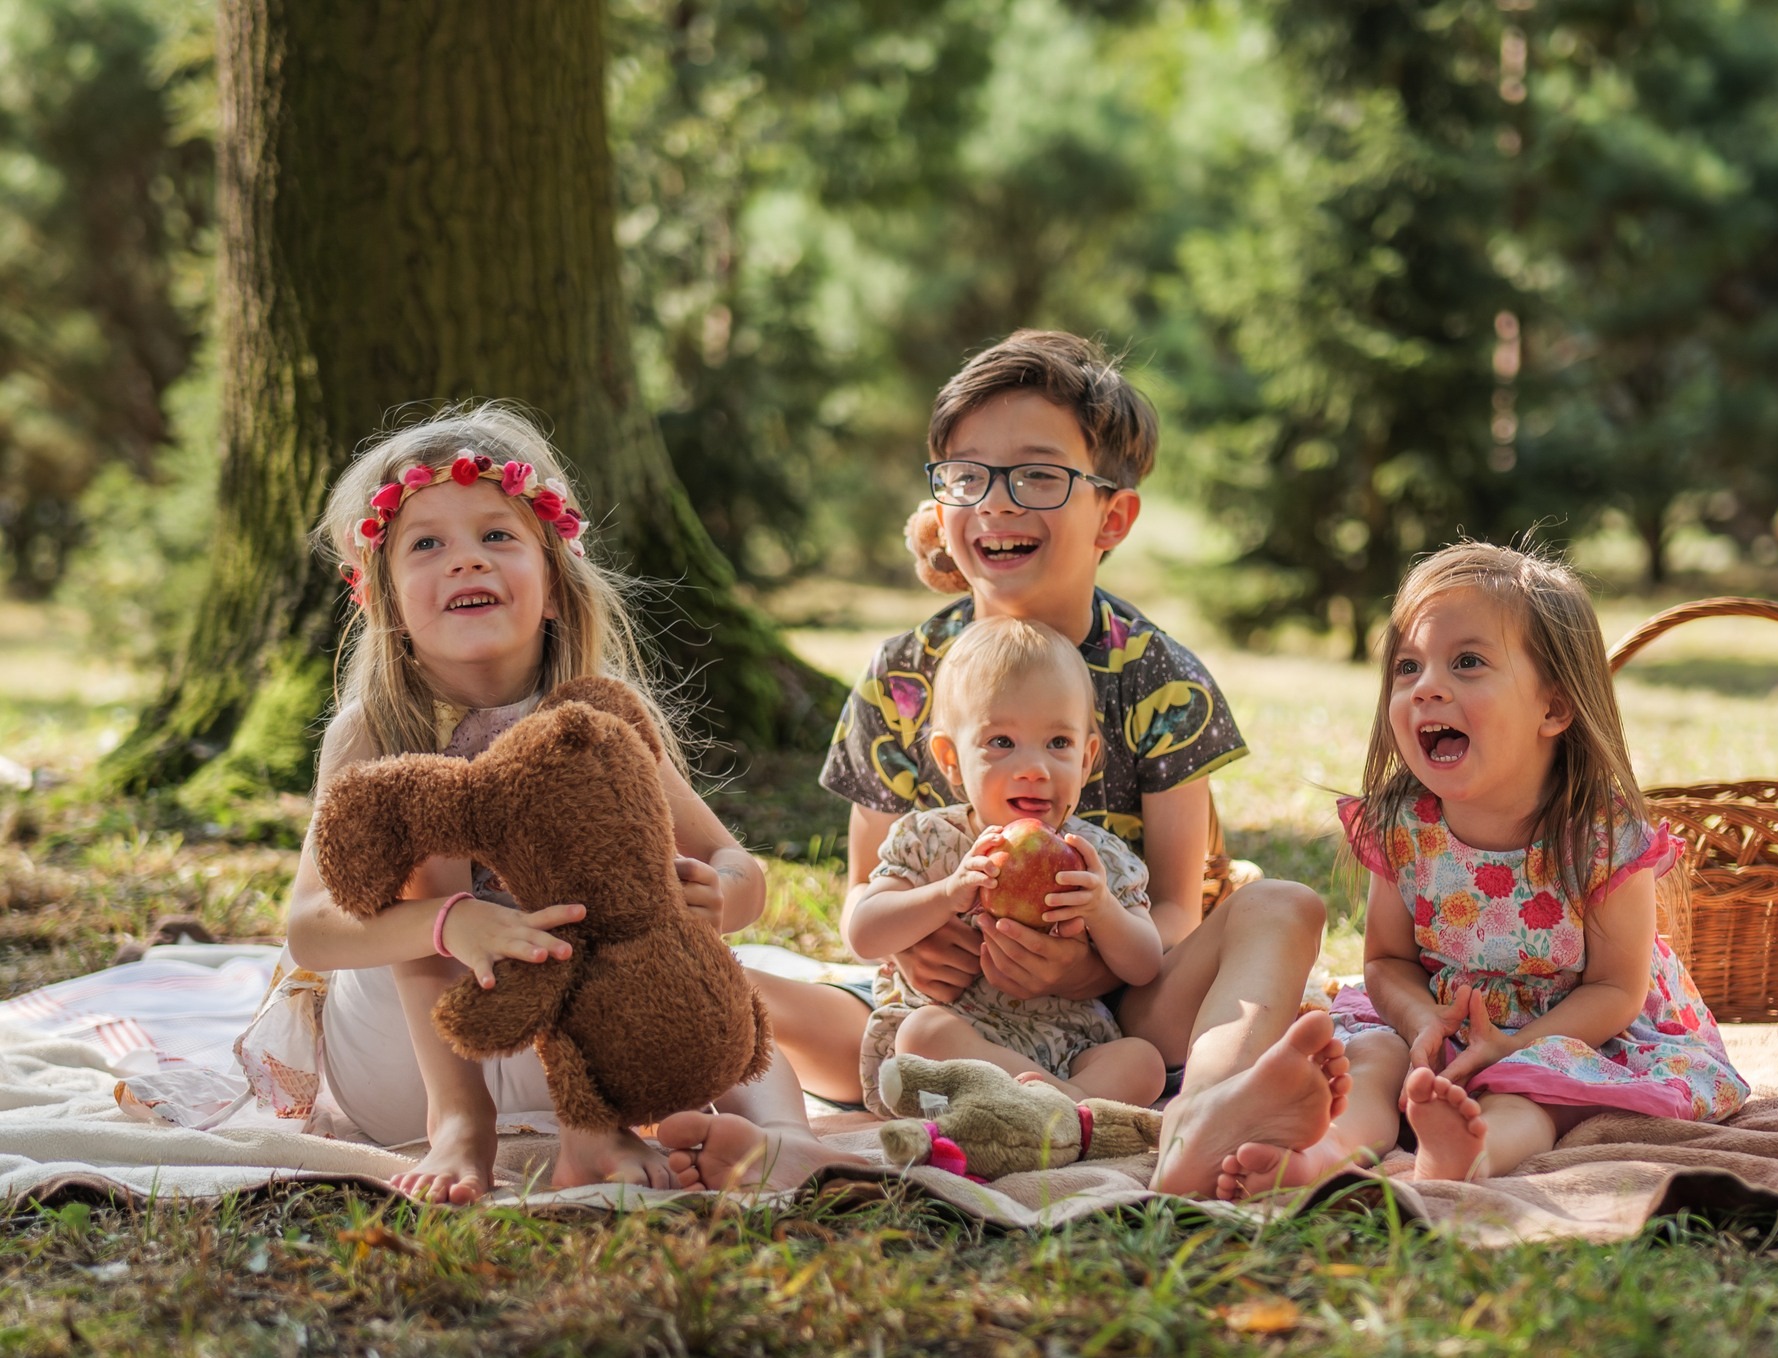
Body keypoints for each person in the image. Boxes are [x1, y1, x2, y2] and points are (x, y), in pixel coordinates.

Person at [739, 330, 1347, 1198]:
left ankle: (1207, 1110)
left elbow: (1177, 904)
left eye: (1036, 474)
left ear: (1113, 515)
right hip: (934, 1017)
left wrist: (1090, 962)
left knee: (1284, 906)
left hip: (1115, 1016)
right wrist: (919, 943)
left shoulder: (1157, 679)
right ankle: (804, 1138)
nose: (995, 501)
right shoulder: (901, 679)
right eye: (966, 474)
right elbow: (862, 893)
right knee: (722, 982)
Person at [246, 404, 852, 1203]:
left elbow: (735, 865)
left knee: (707, 969)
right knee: (425, 811)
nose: (466, 561)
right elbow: (311, 931)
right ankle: (460, 1127)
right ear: (387, 601)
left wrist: (715, 897)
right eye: (427, 544)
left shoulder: (591, 726)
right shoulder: (373, 732)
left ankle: (781, 1141)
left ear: (556, 586)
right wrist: (449, 921)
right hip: (408, 1051)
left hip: (580, 1046)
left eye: (497, 536)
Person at [1217, 542, 1750, 1197]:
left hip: (1572, 1029)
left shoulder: (1602, 839)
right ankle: (1323, 1151)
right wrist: (1418, 1024)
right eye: (1407, 667)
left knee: (1531, 1093)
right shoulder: (1404, 828)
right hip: (1435, 1020)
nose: (1426, 686)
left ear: (1552, 709)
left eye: (1467, 662)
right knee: (1373, 1060)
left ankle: (1468, 1154)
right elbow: (1386, 962)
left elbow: (1615, 990)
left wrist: (1513, 1046)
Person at [846, 617, 1166, 1108]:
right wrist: (945, 894)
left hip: (1069, 1044)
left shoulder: (1096, 858)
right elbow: (865, 934)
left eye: (1059, 744)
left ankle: (1047, 1111)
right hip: (960, 1043)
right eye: (1001, 743)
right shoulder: (929, 839)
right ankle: (1068, 1110)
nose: (1035, 769)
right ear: (951, 760)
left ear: (1086, 758)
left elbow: (1145, 965)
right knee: (923, 1034)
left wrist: (1102, 909)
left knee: (1142, 1061)